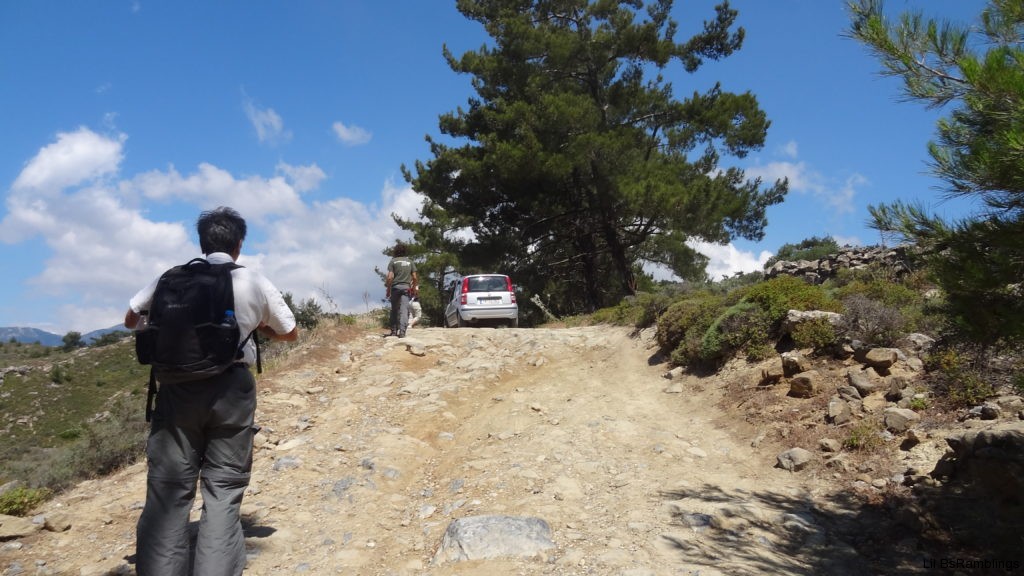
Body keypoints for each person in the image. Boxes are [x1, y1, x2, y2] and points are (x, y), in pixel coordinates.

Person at [125, 207, 298, 576]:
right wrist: (254, 327)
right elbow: (290, 331)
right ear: (239, 244)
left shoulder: (171, 278)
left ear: (202, 243)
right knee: (223, 489)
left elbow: (130, 318)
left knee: (168, 490)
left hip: (175, 390)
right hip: (230, 392)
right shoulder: (252, 280)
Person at [385, 242, 418, 338]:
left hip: (395, 288)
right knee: (404, 310)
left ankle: (394, 331)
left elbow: (390, 277)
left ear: (395, 251)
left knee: (394, 310)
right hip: (406, 288)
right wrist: (414, 288)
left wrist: (388, 289)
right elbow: (415, 277)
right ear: (405, 252)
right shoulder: (410, 262)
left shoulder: (393, 261)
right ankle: (402, 332)